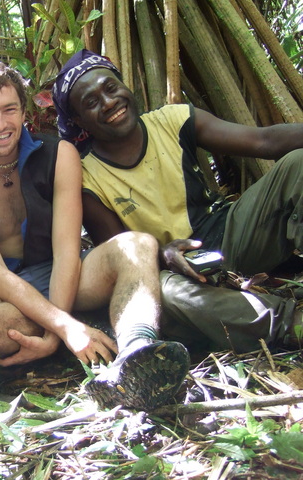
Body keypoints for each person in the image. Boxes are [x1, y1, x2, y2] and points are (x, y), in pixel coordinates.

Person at [0, 60, 191, 412]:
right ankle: (97, 327)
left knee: (138, 244)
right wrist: (66, 327)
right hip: (2, 297)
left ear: (24, 111)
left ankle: (136, 352)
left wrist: (58, 333)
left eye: (9, 110)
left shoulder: (59, 153)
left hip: (64, 274)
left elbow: (68, 251)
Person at [51, 49, 303, 354]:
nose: (109, 103)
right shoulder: (87, 178)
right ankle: (291, 324)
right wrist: (164, 255)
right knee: (167, 294)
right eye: (91, 103)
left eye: (111, 87)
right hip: (176, 273)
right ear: (79, 120)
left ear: (124, 85)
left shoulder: (173, 120)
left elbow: (263, 141)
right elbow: (122, 258)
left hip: (231, 235)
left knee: (298, 164)